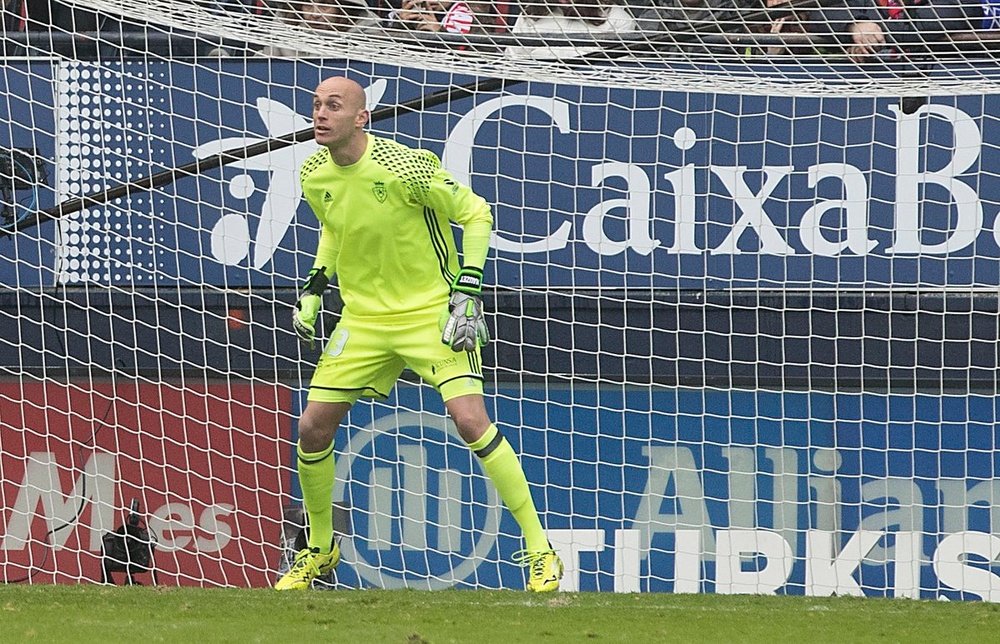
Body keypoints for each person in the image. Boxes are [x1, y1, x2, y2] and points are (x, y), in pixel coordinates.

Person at [274, 76, 564, 593]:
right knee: (312, 428)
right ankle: (319, 548)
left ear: (361, 118)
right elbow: (335, 229)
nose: (320, 114)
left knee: (471, 422)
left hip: (431, 312)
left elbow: (476, 214)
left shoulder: (405, 166)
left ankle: (540, 549)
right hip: (363, 319)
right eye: (316, 104)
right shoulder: (314, 172)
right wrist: (316, 287)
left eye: (333, 106)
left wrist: (467, 289)